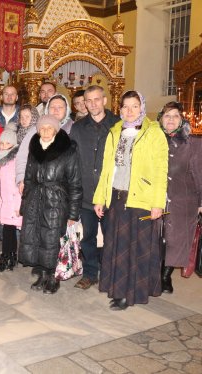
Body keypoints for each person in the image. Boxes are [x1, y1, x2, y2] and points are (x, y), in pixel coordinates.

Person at [93, 91, 168, 310]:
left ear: (142, 107)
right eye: (125, 106)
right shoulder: (115, 131)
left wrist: (157, 203)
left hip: (141, 199)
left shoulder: (153, 133)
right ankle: (118, 290)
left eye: (134, 106)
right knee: (116, 247)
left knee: (136, 249)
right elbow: (107, 169)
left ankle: (130, 293)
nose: (129, 111)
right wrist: (100, 198)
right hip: (116, 198)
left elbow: (161, 171)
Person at [19, 115, 82, 295]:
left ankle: (53, 277)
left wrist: (73, 214)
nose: (45, 131)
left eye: (49, 127)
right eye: (42, 128)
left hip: (56, 201)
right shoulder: (35, 148)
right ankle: (43, 274)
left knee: (52, 239)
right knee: (37, 238)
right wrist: (25, 204)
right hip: (35, 200)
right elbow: (29, 178)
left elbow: (75, 184)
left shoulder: (67, 150)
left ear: (56, 129)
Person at [69, 85, 119, 290]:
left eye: (96, 99)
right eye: (88, 101)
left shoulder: (118, 125)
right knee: (88, 236)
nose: (92, 104)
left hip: (112, 194)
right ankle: (90, 273)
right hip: (86, 193)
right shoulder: (78, 128)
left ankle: (110, 274)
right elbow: (71, 160)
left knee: (112, 237)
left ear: (105, 100)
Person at [159, 102, 202, 293]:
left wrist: (201, 202)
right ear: (160, 119)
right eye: (167, 115)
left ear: (181, 120)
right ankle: (157, 273)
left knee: (176, 240)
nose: (170, 119)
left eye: (175, 116)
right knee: (159, 238)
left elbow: (200, 174)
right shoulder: (153, 140)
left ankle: (165, 276)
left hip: (183, 199)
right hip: (157, 198)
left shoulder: (194, 143)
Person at [0, 129, 22, 272]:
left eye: (7, 143)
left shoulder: (16, 160)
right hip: (2, 202)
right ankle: (7, 255)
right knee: (6, 231)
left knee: (10, 231)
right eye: (1, 143)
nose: (3, 146)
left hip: (13, 202)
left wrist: (19, 205)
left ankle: (10, 255)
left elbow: (19, 185)